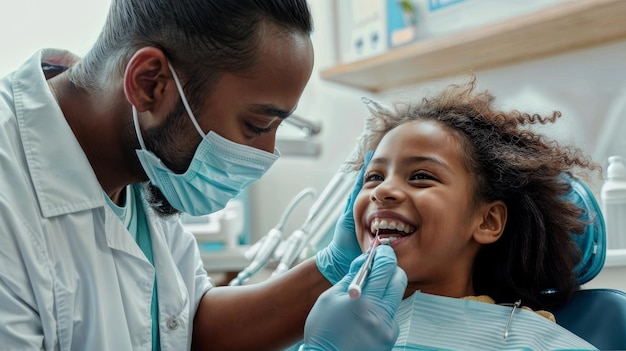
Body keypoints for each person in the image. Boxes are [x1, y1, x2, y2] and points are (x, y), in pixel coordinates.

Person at [0, 1, 406, 350]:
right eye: (256, 124)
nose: (266, 154)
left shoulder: (143, 161)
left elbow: (187, 325)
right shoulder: (10, 197)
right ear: (150, 84)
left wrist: (331, 270)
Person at [345, 78, 601, 350]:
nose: (382, 191)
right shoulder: (335, 326)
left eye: (421, 176)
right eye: (373, 176)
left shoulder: (532, 342)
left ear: (487, 221)